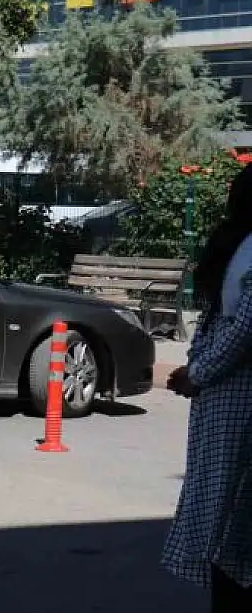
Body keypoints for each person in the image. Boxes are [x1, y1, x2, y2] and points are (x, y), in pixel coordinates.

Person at [163, 163, 252, 612]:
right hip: (239, 392)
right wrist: (199, 372)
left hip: (222, 393)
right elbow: (244, 326)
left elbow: (225, 323)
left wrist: (197, 370)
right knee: (235, 510)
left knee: (221, 500)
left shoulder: (237, 247)